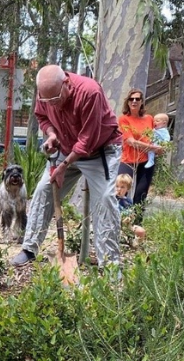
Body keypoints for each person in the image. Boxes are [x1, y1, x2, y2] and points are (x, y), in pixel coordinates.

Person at [11, 64, 121, 268]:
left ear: (66, 83)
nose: (52, 104)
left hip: (99, 150)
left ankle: (111, 265)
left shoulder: (90, 92)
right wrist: (52, 134)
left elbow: (87, 140)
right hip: (65, 146)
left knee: (105, 199)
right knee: (43, 190)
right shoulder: (46, 94)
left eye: (56, 99)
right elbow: (42, 117)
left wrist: (64, 167)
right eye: (47, 100)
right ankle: (29, 248)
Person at [117, 89, 164, 216]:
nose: (134, 101)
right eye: (131, 99)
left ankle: (136, 226)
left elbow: (158, 135)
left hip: (146, 162)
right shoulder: (124, 119)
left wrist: (162, 147)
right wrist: (153, 148)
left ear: (142, 102)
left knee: (141, 195)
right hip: (128, 160)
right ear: (127, 102)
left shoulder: (149, 119)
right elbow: (131, 141)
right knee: (121, 191)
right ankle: (120, 222)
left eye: (137, 99)